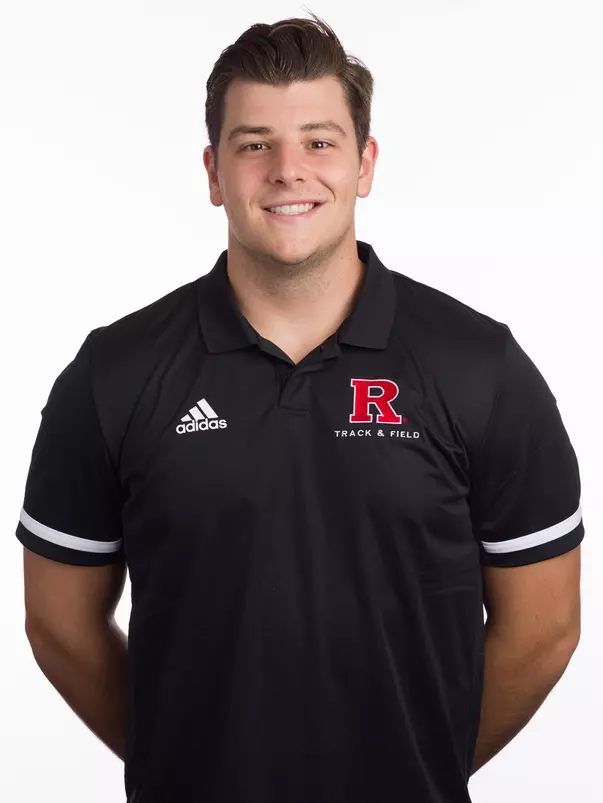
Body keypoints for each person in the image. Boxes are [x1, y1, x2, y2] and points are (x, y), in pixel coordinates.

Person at [17, 13, 584, 803]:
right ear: (214, 172)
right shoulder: (114, 373)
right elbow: (59, 625)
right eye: (254, 145)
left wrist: (415, 763)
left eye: (319, 141)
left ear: (364, 164)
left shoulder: (479, 367)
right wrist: (179, 760)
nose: (289, 170)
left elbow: (545, 628)